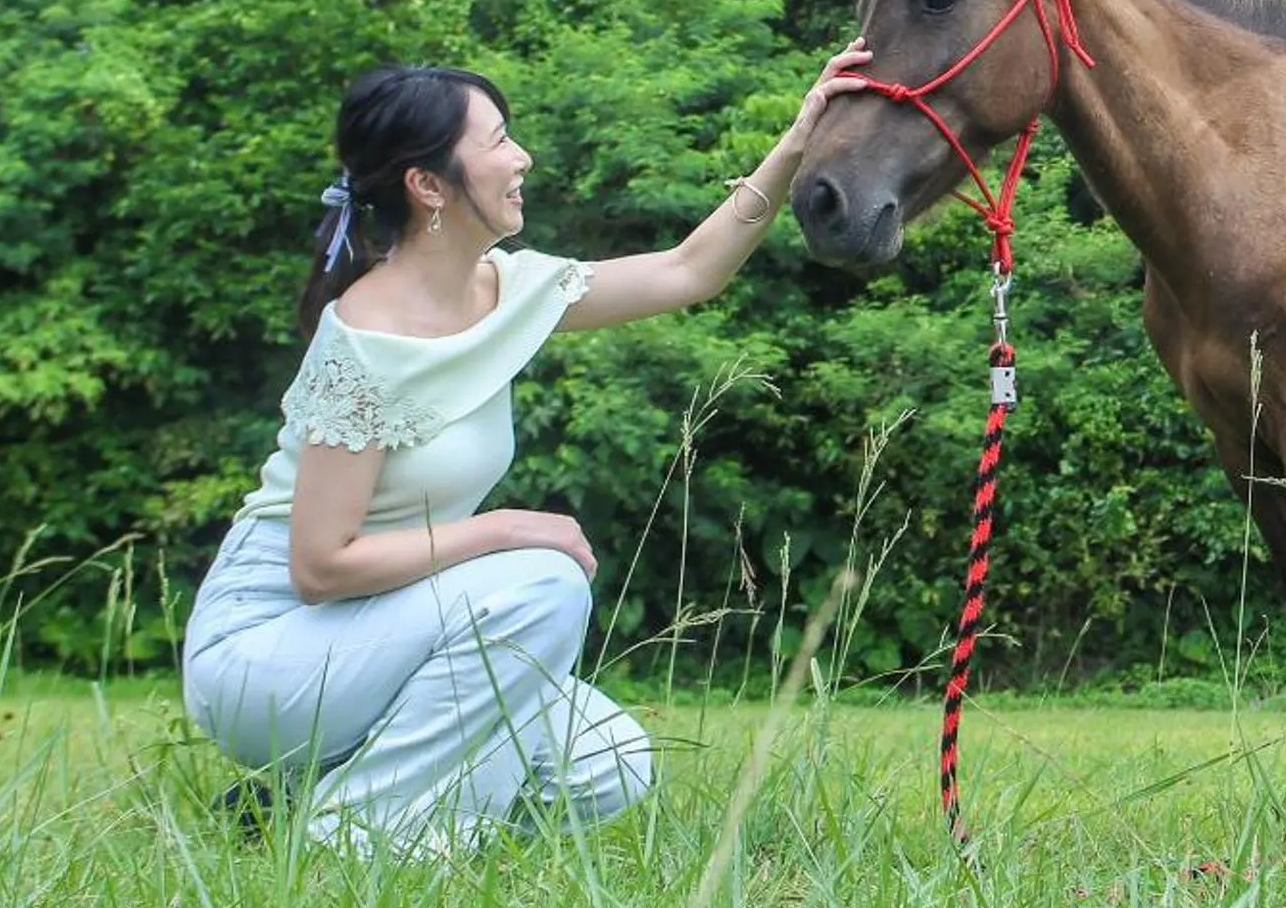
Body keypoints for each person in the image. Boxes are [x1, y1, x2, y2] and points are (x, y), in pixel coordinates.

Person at [180, 43, 873, 856]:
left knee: (609, 766)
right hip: (273, 653)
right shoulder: (363, 344)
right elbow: (319, 566)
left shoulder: (511, 288)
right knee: (538, 583)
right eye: (499, 140)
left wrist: (799, 140)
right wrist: (500, 530)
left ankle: (304, 802)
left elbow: (688, 271)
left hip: (390, 633)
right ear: (429, 185)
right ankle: (366, 836)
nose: (522, 158)